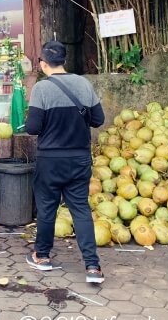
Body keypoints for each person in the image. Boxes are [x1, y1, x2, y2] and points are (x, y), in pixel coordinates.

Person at [24, 41, 106, 283]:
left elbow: (32, 128)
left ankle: (43, 256)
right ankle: (92, 267)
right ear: (64, 60)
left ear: (42, 63)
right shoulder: (83, 84)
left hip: (50, 160)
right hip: (79, 159)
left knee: (47, 208)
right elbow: (98, 119)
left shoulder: (41, 89)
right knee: (80, 209)